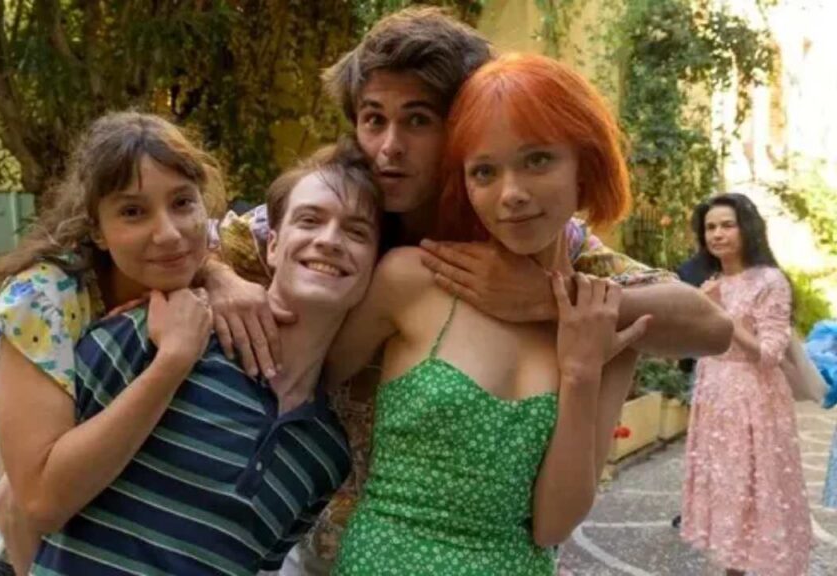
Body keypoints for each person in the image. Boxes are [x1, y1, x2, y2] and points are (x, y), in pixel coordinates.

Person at [206, 7, 734, 572]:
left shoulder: (536, 237)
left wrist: (541, 297)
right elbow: (190, 244)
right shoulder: (336, 218)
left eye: (418, 120)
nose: (389, 146)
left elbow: (708, 325)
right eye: (373, 119)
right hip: (319, 540)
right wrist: (219, 278)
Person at [318, 52, 644, 576]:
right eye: (485, 171)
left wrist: (582, 373)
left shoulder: (601, 321)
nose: (511, 194)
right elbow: (305, 381)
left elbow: (553, 526)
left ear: (585, 168)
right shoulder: (414, 279)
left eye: (537, 160)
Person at [20, 141, 380, 575]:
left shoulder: (325, 454)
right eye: (310, 220)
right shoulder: (147, 335)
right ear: (272, 245)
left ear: (375, 266)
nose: (329, 240)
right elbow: (18, 505)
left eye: (356, 232)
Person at [0, 112, 226, 576]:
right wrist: (171, 363)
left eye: (182, 202)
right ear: (96, 228)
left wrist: (222, 278)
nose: (169, 233)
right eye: (133, 212)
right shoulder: (44, 298)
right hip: (13, 562)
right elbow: (39, 501)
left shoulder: (192, 274)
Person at [680, 193, 812, 576]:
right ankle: (732, 569)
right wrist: (696, 308)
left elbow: (769, 353)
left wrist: (719, 313)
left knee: (756, 488)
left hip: (754, 398)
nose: (717, 234)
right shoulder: (712, 283)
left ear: (747, 228)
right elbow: (693, 344)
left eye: (727, 225)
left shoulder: (770, 281)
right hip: (713, 393)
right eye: (710, 227)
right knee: (725, 487)